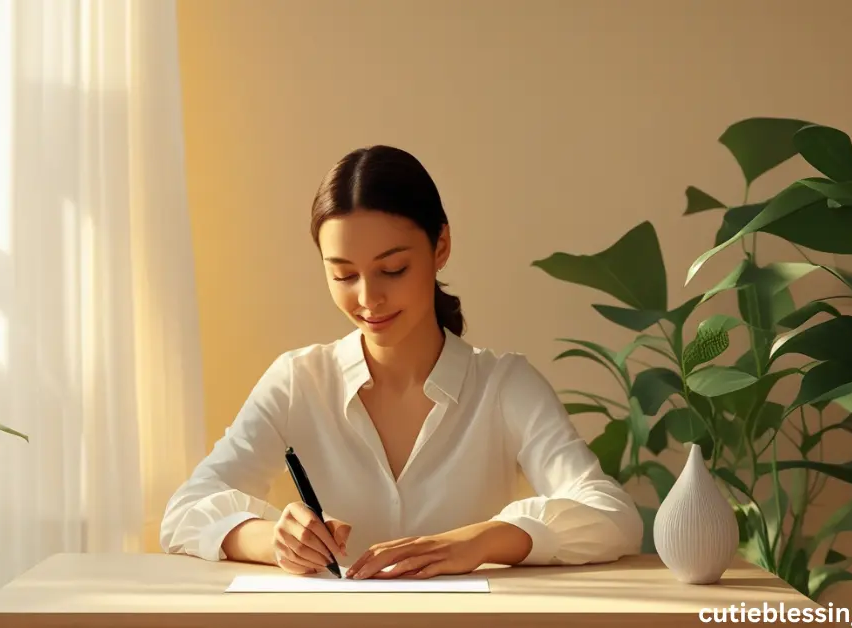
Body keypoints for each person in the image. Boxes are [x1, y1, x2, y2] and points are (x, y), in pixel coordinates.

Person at [159, 145, 643, 579]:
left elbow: (612, 517)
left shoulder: (503, 385)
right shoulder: (297, 380)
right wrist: (272, 541)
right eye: (344, 275)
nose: (369, 298)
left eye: (392, 269)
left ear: (441, 247)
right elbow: (185, 511)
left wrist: (479, 541)